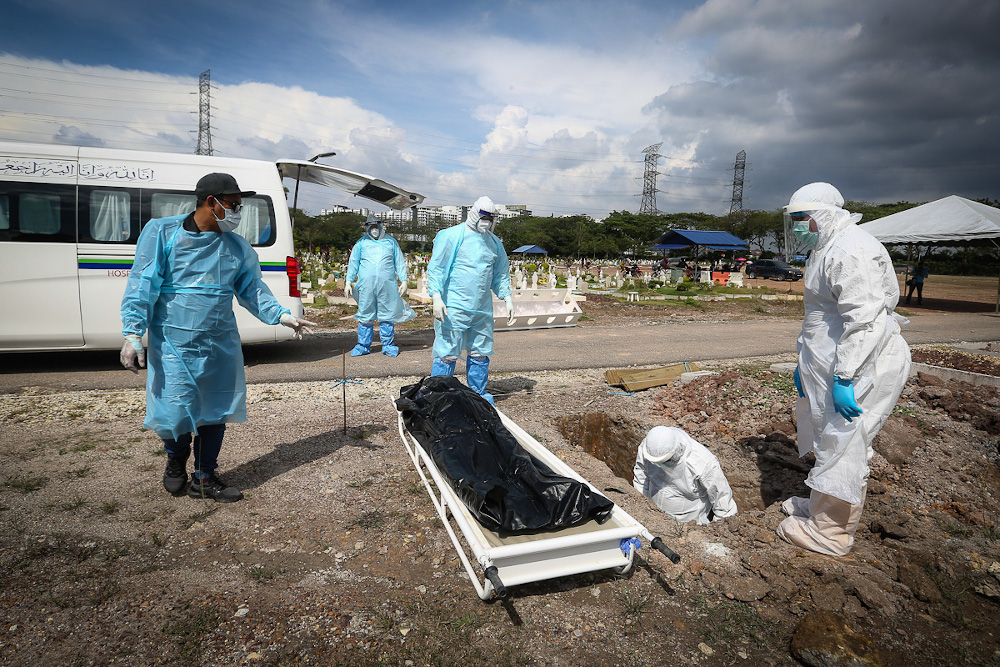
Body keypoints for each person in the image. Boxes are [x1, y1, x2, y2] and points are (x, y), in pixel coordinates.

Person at [120, 172, 314, 503]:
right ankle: (176, 460)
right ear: (212, 202)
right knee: (175, 411)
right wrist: (133, 332)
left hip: (218, 341)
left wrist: (281, 315)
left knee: (215, 409)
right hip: (173, 343)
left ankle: (205, 476)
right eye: (234, 205)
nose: (237, 212)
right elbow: (142, 283)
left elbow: (252, 288)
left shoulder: (235, 247)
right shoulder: (162, 233)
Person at [778, 182, 911, 556]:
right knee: (826, 436)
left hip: (861, 364)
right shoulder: (827, 247)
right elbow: (822, 316)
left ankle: (831, 532)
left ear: (824, 216)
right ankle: (820, 507)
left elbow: (865, 322)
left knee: (845, 443)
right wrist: (804, 363)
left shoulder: (852, 250)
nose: (798, 227)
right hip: (830, 361)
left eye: (803, 218)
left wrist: (844, 378)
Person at [427, 196, 514, 405]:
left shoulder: (494, 243)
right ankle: (440, 397)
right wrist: (436, 296)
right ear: (474, 214)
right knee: (447, 352)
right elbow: (437, 267)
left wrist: (507, 297)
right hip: (454, 306)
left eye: (490, 218)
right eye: (483, 216)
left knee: (480, 352)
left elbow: (500, 273)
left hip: (482, 310)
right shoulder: (451, 236)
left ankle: (477, 395)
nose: (486, 221)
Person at [632, 426, 737, 525]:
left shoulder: (703, 463)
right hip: (652, 516)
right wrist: (642, 507)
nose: (660, 466)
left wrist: (715, 534)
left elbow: (723, 504)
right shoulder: (649, 449)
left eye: (665, 461)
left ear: (675, 451)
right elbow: (640, 477)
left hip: (689, 525)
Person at [344, 214, 415, 357]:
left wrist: (404, 280)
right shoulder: (361, 243)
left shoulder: (391, 242)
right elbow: (353, 263)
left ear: (381, 226)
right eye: (371, 226)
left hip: (387, 285)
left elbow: (399, 262)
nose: (374, 229)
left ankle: (388, 345)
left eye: (376, 226)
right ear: (367, 228)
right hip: (366, 286)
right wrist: (348, 281)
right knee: (365, 314)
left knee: (387, 314)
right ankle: (363, 345)